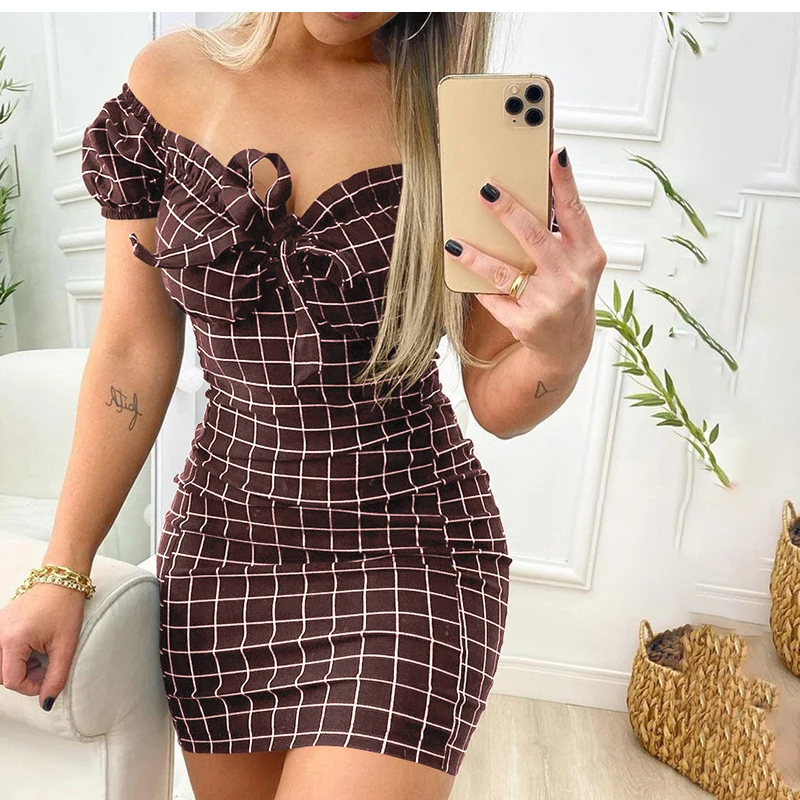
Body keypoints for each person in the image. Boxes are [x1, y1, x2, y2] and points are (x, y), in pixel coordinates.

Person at [0, 12, 605, 800]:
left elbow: (496, 397)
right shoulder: (166, 83)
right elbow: (131, 349)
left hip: (407, 557)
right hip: (223, 561)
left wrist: (561, 348)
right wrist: (63, 567)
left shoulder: (460, 122)